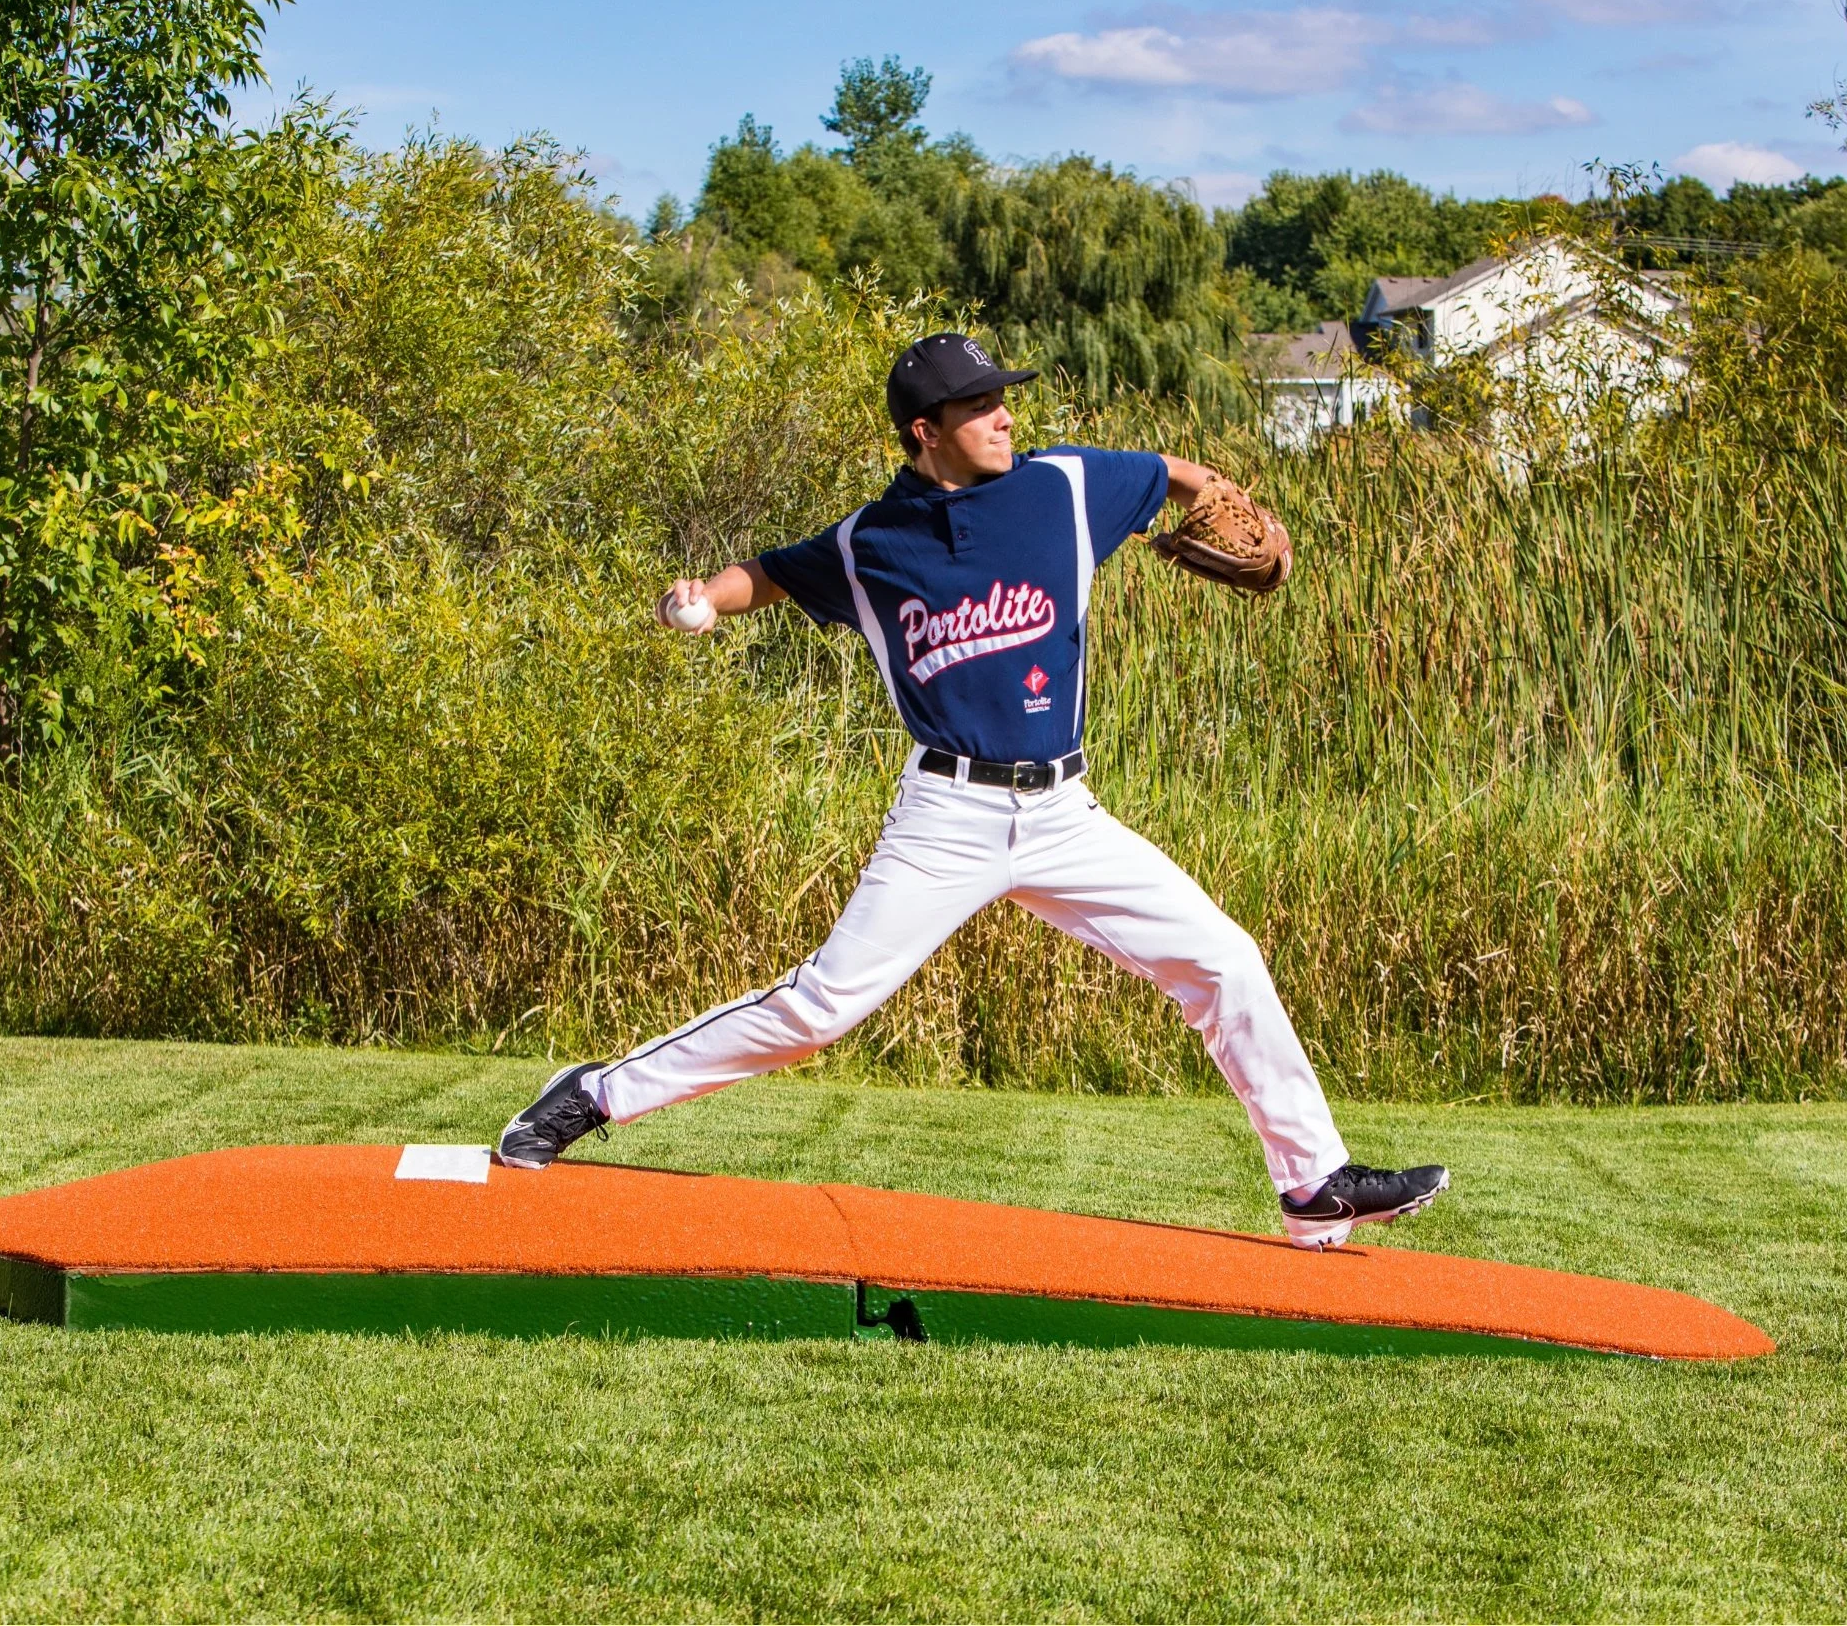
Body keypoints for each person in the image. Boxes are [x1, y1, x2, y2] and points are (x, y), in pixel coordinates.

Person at [498, 333, 1448, 1248]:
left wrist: (1228, 493)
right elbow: (770, 575)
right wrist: (699, 596)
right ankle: (593, 1093)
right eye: (981, 404)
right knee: (820, 1009)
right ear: (925, 430)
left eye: (1004, 399)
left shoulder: (1063, 487)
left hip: (1065, 814)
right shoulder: (873, 539)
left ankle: (1314, 1184)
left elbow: (1169, 471)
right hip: (946, 817)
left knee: (1225, 962)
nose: (1003, 417)